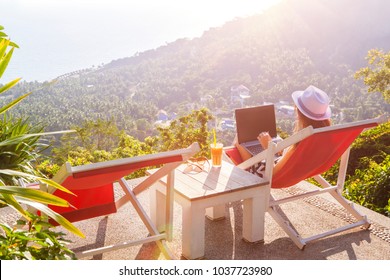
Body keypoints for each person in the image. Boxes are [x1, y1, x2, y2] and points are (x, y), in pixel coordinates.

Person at [236, 85, 332, 176]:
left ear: (299, 112)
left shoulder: (301, 141)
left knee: (239, 140)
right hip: (292, 171)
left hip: (268, 173)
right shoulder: (323, 136)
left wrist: (268, 147)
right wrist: (281, 149)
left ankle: (244, 172)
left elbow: (273, 172)